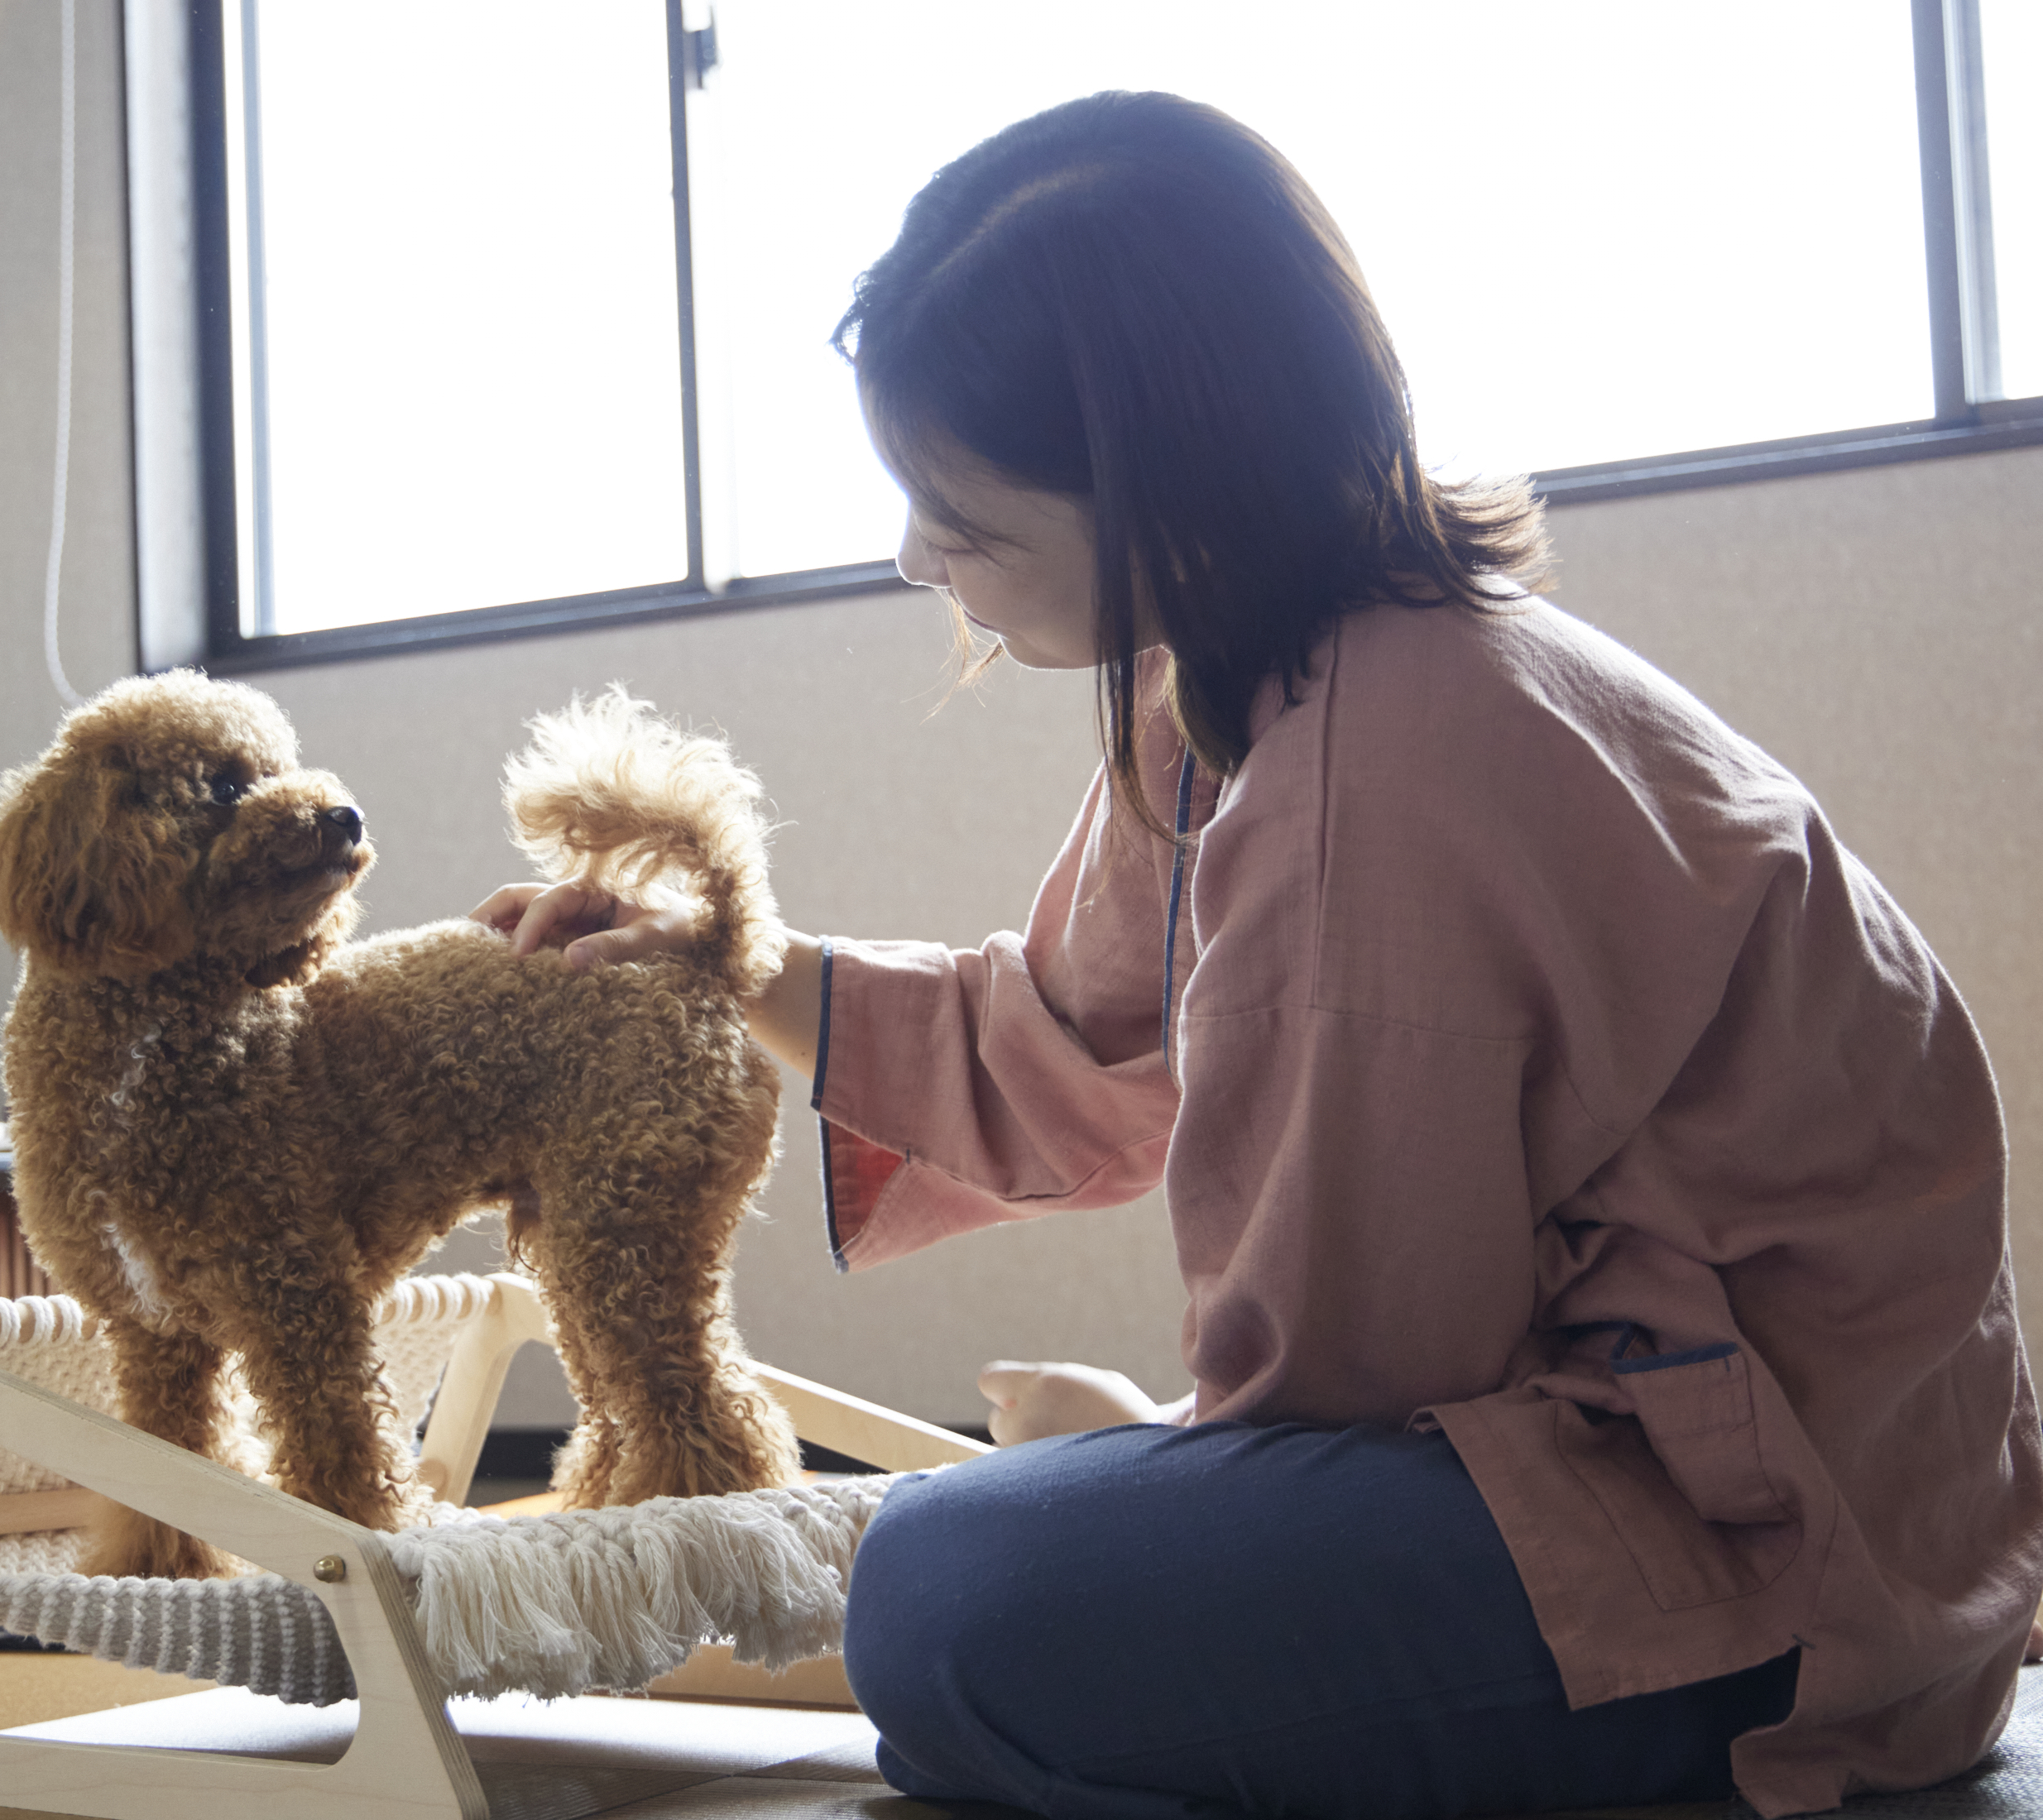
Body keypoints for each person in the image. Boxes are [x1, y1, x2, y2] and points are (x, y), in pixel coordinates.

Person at [472, 91, 2041, 1820]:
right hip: (1717, 1471)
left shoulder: (1381, 768)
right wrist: (725, 962)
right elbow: (1062, 1037)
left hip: (1768, 1561)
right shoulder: (1249, 679)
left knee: (947, 1605)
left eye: (964, 520)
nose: (919, 557)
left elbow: (1352, 1375)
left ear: (1166, 491)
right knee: (973, 1560)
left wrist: (1151, 1453)